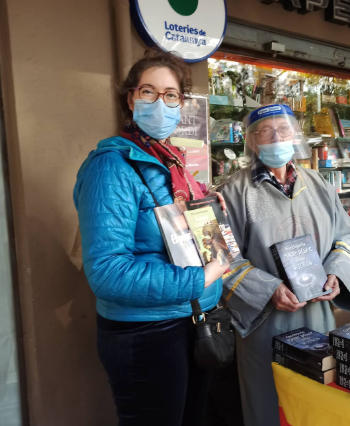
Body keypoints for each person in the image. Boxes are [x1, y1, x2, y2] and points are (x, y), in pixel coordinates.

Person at [73, 49, 229, 426]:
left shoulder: (172, 163)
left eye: (171, 95)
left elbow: (173, 234)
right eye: (148, 92)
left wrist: (207, 209)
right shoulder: (111, 167)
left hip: (193, 319)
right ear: (131, 99)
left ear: (181, 103)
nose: (160, 103)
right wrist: (199, 279)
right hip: (148, 333)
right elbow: (108, 273)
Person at [218, 104, 350, 426]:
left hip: (319, 316)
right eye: (265, 131)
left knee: (317, 402)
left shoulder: (319, 185)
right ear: (251, 141)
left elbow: (347, 236)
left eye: (283, 130)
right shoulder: (233, 193)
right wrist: (268, 289)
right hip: (264, 323)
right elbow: (220, 257)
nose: (276, 138)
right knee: (269, 403)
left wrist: (337, 273)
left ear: (295, 135)